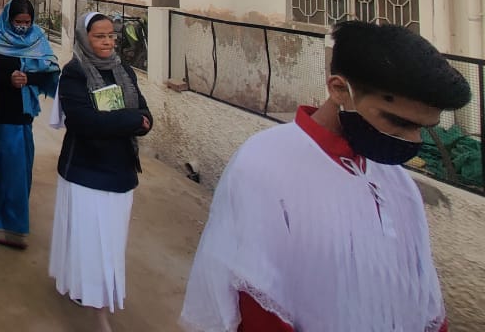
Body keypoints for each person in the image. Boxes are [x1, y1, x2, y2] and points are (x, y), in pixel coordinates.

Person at [181, 20, 470, 332]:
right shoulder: (264, 165)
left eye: (423, 129)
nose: (412, 140)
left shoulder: (397, 182)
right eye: (398, 123)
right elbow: (256, 301)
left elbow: (423, 293)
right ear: (339, 89)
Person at [48, 12, 152, 332]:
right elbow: (85, 123)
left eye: (111, 36)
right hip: (85, 170)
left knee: (112, 241)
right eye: (99, 36)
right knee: (90, 241)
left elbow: (146, 116)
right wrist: (130, 120)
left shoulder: (124, 71)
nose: (107, 42)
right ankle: (98, 310)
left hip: (121, 170)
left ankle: (94, 294)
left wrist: (131, 121)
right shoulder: (75, 73)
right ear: (84, 38)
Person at [0, 0, 60, 249]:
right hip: (0, 115)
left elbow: (49, 72)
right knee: (7, 171)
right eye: (18, 21)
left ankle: (8, 219)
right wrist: (8, 79)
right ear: (9, 19)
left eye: (27, 21)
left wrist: (28, 78)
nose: (23, 26)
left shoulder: (37, 38)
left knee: (22, 170)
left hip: (24, 116)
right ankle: (5, 224)